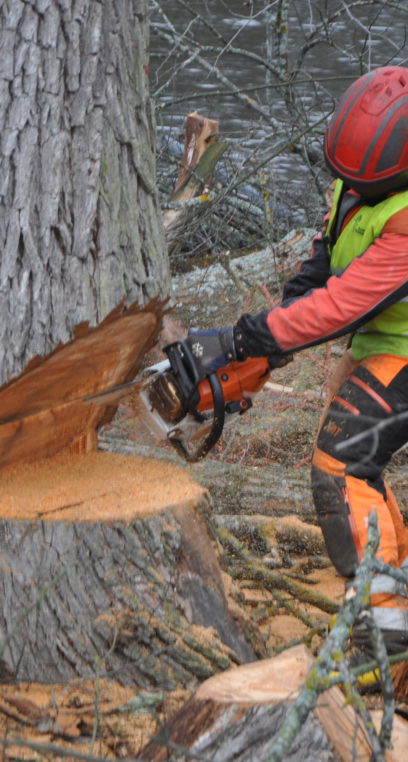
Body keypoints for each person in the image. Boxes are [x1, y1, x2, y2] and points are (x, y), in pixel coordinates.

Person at [184, 66, 408, 660]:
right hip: (387, 343)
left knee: (340, 470)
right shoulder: (360, 185)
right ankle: (395, 586)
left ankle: (384, 634)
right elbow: (327, 256)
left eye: (362, 182)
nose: (351, 188)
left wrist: (243, 339)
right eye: (347, 179)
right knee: (362, 467)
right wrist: (276, 333)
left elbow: (343, 305)